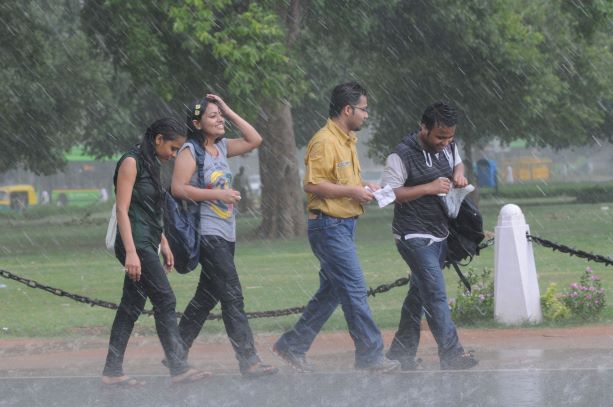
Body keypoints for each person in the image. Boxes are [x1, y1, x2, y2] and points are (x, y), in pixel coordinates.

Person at [272, 82, 400, 373]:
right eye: (364, 109)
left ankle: (293, 345)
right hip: (329, 227)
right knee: (355, 287)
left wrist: (365, 185)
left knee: (331, 292)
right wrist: (352, 193)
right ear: (348, 109)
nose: (366, 115)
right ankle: (370, 354)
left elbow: (342, 181)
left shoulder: (345, 140)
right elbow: (312, 184)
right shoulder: (324, 141)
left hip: (343, 226)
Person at [171, 94, 278, 377]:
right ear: (197, 123)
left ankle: (175, 351)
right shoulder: (190, 151)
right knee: (232, 295)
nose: (219, 120)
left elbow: (255, 140)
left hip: (226, 233)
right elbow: (178, 188)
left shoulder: (221, 147)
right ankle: (249, 361)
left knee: (206, 297)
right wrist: (217, 194)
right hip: (207, 233)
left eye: (220, 115)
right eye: (213, 116)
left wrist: (229, 111)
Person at [102, 118, 210, 386]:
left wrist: (163, 242)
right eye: (172, 148)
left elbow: (150, 209)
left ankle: (111, 372)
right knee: (165, 299)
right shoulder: (131, 162)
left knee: (131, 306)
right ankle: (178, 366)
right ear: (158, 139)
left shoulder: (151, 164)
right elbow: (122, 210)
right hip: (134, 243)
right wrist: (130, 252)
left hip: (146, 241)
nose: (174, 155)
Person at [382, 102, 478, 370]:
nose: (445, 142)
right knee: (435, 294)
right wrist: (429, 187)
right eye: (439, 136)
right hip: (412, 236)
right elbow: (390, 194)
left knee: (419, 295)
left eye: (449, 137)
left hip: (440, 234)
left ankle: (400, 353)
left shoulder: (449, 145)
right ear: (423, 127)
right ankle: (452, 354)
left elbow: (457, 165)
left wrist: (458, 177)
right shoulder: (400, 155)